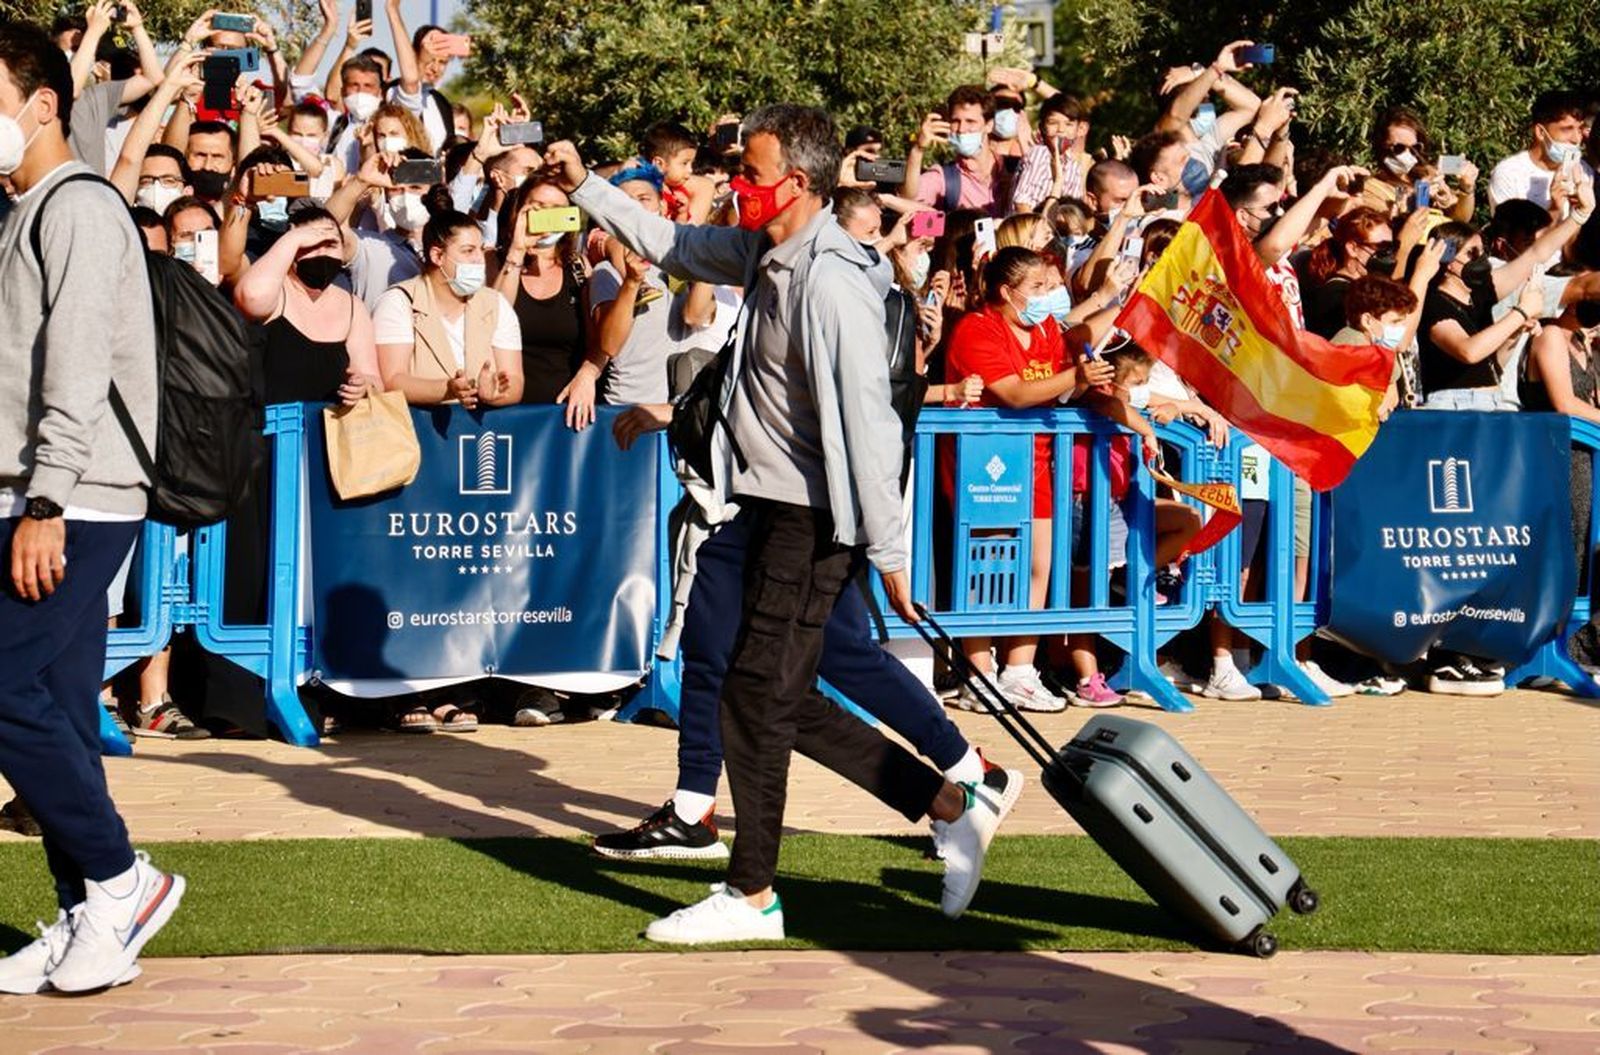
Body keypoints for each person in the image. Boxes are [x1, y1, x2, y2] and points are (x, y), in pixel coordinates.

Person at [550, 104, 1020, 943]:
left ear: (796, 183)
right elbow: (669, 243)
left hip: (813, 520)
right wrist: (584, 184)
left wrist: (893, 554)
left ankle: (753, 892)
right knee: (757, 682)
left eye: (753, 173)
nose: (738, 185)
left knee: (758, 696)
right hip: (756, 507)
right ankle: (950, 798)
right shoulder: (763, 249)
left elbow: (873, 428)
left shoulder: (832, 281)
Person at [0, 22, 183, 994]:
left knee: (5, 687)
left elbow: (74, 369)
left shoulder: (76, 207)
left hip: (71, 495)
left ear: (40, 101)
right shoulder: (24, 209)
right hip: (42, 490)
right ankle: (89, 916)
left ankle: (121, 876)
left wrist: (45, 500)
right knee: (61, 708)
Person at [942, 246, 1117, 710]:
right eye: (1037, 288)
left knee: (1038, 565)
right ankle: (977, 676)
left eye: (1050, 286)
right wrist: (1073, 376)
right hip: (985, 466)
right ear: (1007, 292)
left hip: (1036, 461)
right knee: (987, 566)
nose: (1049, 296)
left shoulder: (1043, 331)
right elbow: (1015, 394)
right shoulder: (976, 330)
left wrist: (1086, 369)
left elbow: (1068, 366)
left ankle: (1020, 669)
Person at [494, 178, 590, 407]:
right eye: (538, 207)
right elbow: (493, 318)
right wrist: (518, 249)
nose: (546, 217)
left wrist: (586, 378)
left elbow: (594, 342)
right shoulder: (494, 261)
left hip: (563, 411)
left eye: (556, 211)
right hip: (504, 411)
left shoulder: (578, 267)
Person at [904, 85, 1012, 216]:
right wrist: (918, 149)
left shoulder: (1013, 169)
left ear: (989, 125)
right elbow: (908, 199)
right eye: (956, 121)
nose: (961, 129)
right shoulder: (946, 178)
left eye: (970, 121)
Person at [1489, 91, 1595, 211]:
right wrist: (1555, 209)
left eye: (1580, 130)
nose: (1576, 139)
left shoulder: (1585, 173)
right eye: (1567, 129)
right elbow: (1507, 229)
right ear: (1540, 132)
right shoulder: (1509, 174)